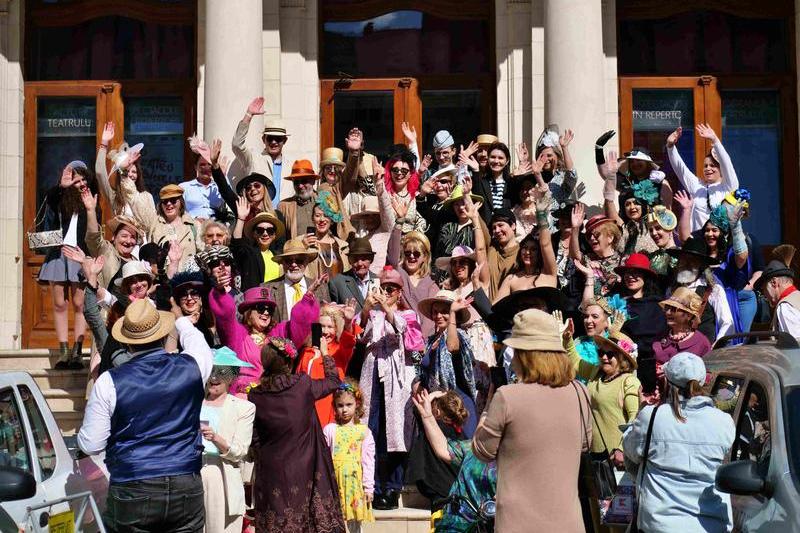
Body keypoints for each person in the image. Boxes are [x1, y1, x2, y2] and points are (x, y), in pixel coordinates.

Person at [77, 299, 213, 532]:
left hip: (134, 485)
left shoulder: (110, 381)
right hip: (184, 481)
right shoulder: (193, 366)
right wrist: (180, 319)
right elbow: (197, 341)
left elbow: (91, 443)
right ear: (162, 336)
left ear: (128, 345)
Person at [472, 309, 590, 532]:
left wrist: (486, 412)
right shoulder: (580, 392)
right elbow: (585, 444)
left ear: (524, 355)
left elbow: (482, 451)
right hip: (567, 521)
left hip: (518, 522)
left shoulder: (508, 396)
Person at [623, 352, 735, 532]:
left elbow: (630, 450)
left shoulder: (652, 417)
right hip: (711, 525)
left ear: (667, 383)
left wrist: (639, 416)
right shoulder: (724, 422)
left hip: (660, 525)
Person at [249, 337, 345, 533]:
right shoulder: (302, 385)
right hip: (305, 468)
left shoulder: (256, 395)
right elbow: (334, 381)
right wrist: (325, 354)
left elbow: (256, 438)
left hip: (271, 471)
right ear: (289, 361)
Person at [359, 266, 425, 510]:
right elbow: (359, 336)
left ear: (399, 292)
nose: (385, 293)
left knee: (396, 433)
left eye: (391, 289)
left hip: (397, 380)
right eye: (383, 288)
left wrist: (386, 309)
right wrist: (367, 307)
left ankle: (393, 487)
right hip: (373, 375)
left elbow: (409, 338)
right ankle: (373, 486)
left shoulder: (409, 315)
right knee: (372, 431)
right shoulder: (372, 313)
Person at [210, 279, 322, 395]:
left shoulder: (278, 332)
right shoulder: (238, 333)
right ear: (248, 311)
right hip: (244, 398)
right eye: (261, 308)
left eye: (270, 309)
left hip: (273, 397)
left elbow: (299, 325)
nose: (266, 312)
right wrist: (220, 293)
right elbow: (226, 318)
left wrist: (307, 298)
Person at [39, 161, 98, 368]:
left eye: (83, 179)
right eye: (76, 180)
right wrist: (62, 187)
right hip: (58, 253)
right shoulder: (59, 197)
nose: (80, 183)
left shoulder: (91, 200)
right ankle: (63, 350)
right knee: (59, 303)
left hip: (79, 254)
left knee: (80, 303)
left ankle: (77, 350)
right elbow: (50, 198)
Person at [412, 389, 497, 533]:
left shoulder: (518, 459)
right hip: (456, 524)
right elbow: (444, 448)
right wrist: (427, 416)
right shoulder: (473, 448)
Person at [200, 347, 256, 533]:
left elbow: (240, 451)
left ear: (232, 377)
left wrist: (216, 438)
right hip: (193, 473)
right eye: (211, 370)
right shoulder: (193, 402)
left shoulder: (244, 408)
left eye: (222, 372)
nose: (214, 377)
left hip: (222, 476)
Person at [417, 290, 479, 436]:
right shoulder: (430, 341)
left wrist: (452, 313)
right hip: (439, 408)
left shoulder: (460, 336)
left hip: (459, 405)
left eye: (444, 312)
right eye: (435, 312)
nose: (439, 316)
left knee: (465, 452)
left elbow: (452, 347)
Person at [323, 380, 376, 533]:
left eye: (349, 405)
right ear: (335, 407)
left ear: (357, 404)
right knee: (334, 522)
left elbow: (368, 461)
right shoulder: (330, 430)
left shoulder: (364, 432)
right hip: (334, 484)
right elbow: (323, 458)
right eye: (340, 406)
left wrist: (368, 488)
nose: (344, 410)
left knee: (354, 525)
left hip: (354, 485)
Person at [666, 124, 739, 231]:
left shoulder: (728, 186)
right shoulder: (698, 187)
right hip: (698, 243)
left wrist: (715, 140)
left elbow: (726, 163)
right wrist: (670, 146)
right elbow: (680, 169)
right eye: (705, 166)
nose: (708, 169)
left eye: (712, 165)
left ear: (721, 169)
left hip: (721, 243)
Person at [297, 300, 358, 426]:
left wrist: (347, 322)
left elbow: (349, 340)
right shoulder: (307, 351)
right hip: (304, 409)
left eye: (330, 327)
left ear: (337, 329)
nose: (325, 331)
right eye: (322, 326)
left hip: (327, 408)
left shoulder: (339, 351)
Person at [616, 253, 668, 393]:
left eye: (636, 273)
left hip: (650, 366)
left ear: (646, 277)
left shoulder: (658, 305)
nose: (631, 277)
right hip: (623, 364)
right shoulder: (617, 303)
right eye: (628, 273)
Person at [667, 236, 734, 342]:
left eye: (692, 260)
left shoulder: (713, 289)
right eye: (683, 259)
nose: (687, 264)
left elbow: (727, 323)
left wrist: (715, 348)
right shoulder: (671, 289)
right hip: (674, 351)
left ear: (701, 265)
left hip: (704, 354)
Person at [95, 122, 156, 232]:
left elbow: (152, 225)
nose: (131, 175)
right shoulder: (114, 196)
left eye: (134, 171)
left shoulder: (146, 196)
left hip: (143, 245)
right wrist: (104, 143)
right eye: (127, 171)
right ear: (121, 173)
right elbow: (99, 172)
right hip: (122, 245)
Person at [232, 97, 289, 206]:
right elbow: (237, 144)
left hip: (284, 216)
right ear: (263, 139)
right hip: (260, 215)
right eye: (270, 138)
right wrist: (248, 115)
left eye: (278, 139)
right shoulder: (253, 158)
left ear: (284, 141)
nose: (273, 142)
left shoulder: (290, 166)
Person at [386, 230, 439, 337]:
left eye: (416, 253)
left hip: (423, 338)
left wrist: (421, 339)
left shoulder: (432, 283)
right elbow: (392, 257)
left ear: (424, 257)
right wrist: (398, 224)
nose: (411, 256)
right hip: (400, 334)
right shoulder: (399, 274)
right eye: (407, 253)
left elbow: (430, 318)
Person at [264, 238, 331, 323]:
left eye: (299, 260)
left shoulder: (321, 288)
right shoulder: (268, 289)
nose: (294, 265)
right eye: (288, 261)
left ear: (307, 262)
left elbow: (328, 320)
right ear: (282, 263)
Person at [654, 287, 711, 371]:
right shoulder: (660, 336)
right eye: (666, 308)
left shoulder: (701, 343)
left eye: (673, 309)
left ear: (689, 315)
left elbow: (708, 375)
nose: (668, 312)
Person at [570, 205, 622, 297]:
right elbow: (575, 255)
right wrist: (575, 229)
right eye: (589, 236)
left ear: (610, 237)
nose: (592, 238)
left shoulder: (622, 259)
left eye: (596, 235)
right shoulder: (589, 259)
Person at [231, 201, 285, 290]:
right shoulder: (248, 254)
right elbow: (237, 244)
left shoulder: (278, 257)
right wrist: (241, 218)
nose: (265, 234)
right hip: (254, 301)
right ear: (254, 234)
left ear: (274, 235)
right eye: (260, 230)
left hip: (275, 301)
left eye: (270, 231)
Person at [150, 184, 201, 273]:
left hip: (189, 279)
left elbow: (202, 252)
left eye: (173, 201)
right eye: (165, 201)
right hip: (165, 279)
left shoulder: (194, 225)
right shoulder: (154, 225)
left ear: (181, 202)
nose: (169, 204)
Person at [755, 245, 800, 341]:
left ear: (774, 283)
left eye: (764, 289)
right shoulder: (797, 298)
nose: (764, 296)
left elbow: (794, 346)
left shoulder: (786, 306)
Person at [304, 191, 351, 279]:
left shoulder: (342, 246)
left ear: (332, 219)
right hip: (316, 291)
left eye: (326, 215)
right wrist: (302, 247)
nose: (322, 219)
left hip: (338, 291)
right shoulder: (304, 243)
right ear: (312, 219)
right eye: (317, 215)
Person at [328, 237, 380, 313]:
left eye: (363, 259)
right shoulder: (337, 282)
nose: (359, 263)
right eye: (355, 259)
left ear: (371, 259)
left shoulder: (379, 281)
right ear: (349, 260)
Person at [277, 160, 319, 239]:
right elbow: (281, 240)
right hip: (298, 250)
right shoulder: (284, 206)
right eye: (296, 182)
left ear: (313, 181)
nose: (300, 186)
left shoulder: (324, 200)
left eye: (304, 181)